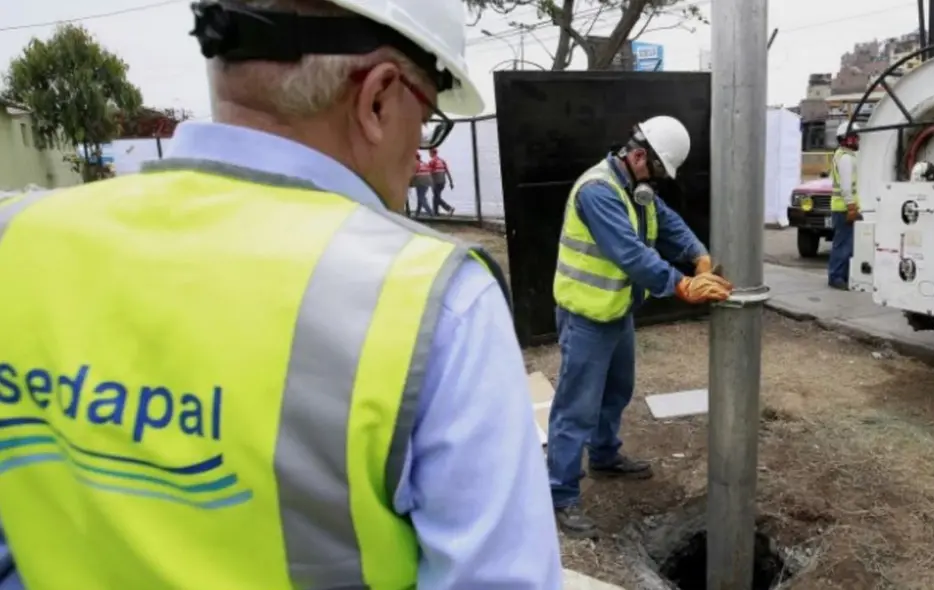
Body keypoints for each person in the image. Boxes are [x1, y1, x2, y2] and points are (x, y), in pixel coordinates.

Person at [0, 0, 562, 588]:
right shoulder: (432, 300)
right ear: (377, 98)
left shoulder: (18, 239)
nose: (417, 149)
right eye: (424, 120)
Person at [548, 116, 732, 539]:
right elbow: (630, 254)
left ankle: (604, 456)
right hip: (586, 316)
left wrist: (698, 255)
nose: (658, 181)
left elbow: (667, 221)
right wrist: (682, 285)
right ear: (637, 156)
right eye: (658, 170)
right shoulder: (598, 192)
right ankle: (560, 493)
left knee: (617, 390)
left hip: (616, 311)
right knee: (576, 407)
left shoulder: (636, 187)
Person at [828, 121, 861, 290]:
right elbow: (846, 186)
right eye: (855, 137)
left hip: (843, 207)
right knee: (843, 245)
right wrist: (851, 207)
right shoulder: (846, 158)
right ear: (847, 139)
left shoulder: (844, 155)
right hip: (844, 209)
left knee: (847, 244)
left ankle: (843, 276)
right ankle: (836, 277)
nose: (858, 140)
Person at [429, 147, 455, 216]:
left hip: (436, 182)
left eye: (429, 153)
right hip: (443, 182)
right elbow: (447, 172)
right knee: (436, 196)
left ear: (431, 153)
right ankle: (436, 213)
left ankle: (449, 208)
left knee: (436, 198)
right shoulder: (442, 161)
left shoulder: (432, 161)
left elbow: (429, 172)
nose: (429, 154)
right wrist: (451, 182)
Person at [412, 151, 434, 217]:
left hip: (421, 181)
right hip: (428, 181)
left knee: (421, 198)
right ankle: (417, 213)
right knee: (421, 197)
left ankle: (430, 213)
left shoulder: (415, 163)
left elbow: (412, 174)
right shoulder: (424, 163)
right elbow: (430, 171)